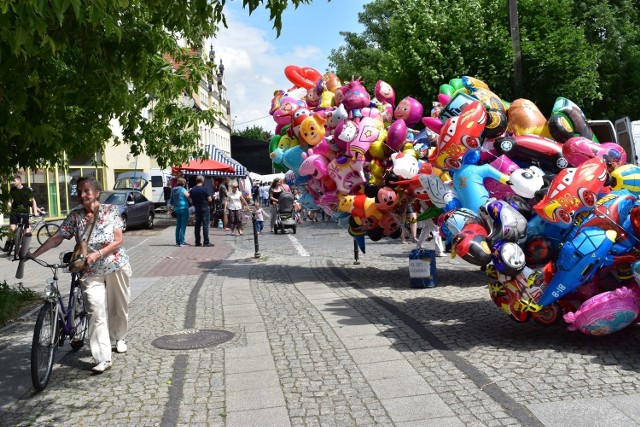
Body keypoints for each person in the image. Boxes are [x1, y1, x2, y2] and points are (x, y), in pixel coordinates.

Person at [30, 177, 132, 373]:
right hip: (89, 271)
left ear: (96, 192)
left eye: (86, 190)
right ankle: (102, 358)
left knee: (118, 307)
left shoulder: (110, 211)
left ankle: (119, 337)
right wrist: (34, 254)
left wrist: (97, 254)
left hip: (115, 265)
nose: (82, 194)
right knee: (95, 310)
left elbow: (118, 241)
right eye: (79, 191)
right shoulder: (75, 216)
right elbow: (58, 237)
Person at [4, 175, 43, 252]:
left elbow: (32, 202)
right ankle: (8, 242)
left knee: (26, 230)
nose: (13, 182)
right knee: (12, 229)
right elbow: (10, 200)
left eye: (14, 181)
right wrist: (8, 207)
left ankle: (22, 246)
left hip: (24, 212)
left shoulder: (26, 190)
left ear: (19, 181)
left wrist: (35, 212)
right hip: (14, 212)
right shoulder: (12, 190)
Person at [190, 175, 213, 247]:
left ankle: (197, 242)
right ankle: (206, 242)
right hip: (205, 207)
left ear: (196, 181)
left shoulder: (192, 189)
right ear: (202, 181)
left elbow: (191, 201)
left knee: (197, 225)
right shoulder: (204, 189)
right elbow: (210, 199)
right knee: (205, 225)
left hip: (197, 208)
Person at [170, 177, 190, 246]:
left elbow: (171, 200)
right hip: (183, 208)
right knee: (183, 226)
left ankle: (177, 241)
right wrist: (189, 192)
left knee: (178, 226)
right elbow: (188, 196)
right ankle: (182, 241)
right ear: (183, 183)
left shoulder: (173, 190)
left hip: (177, 209)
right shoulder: (183, 189)